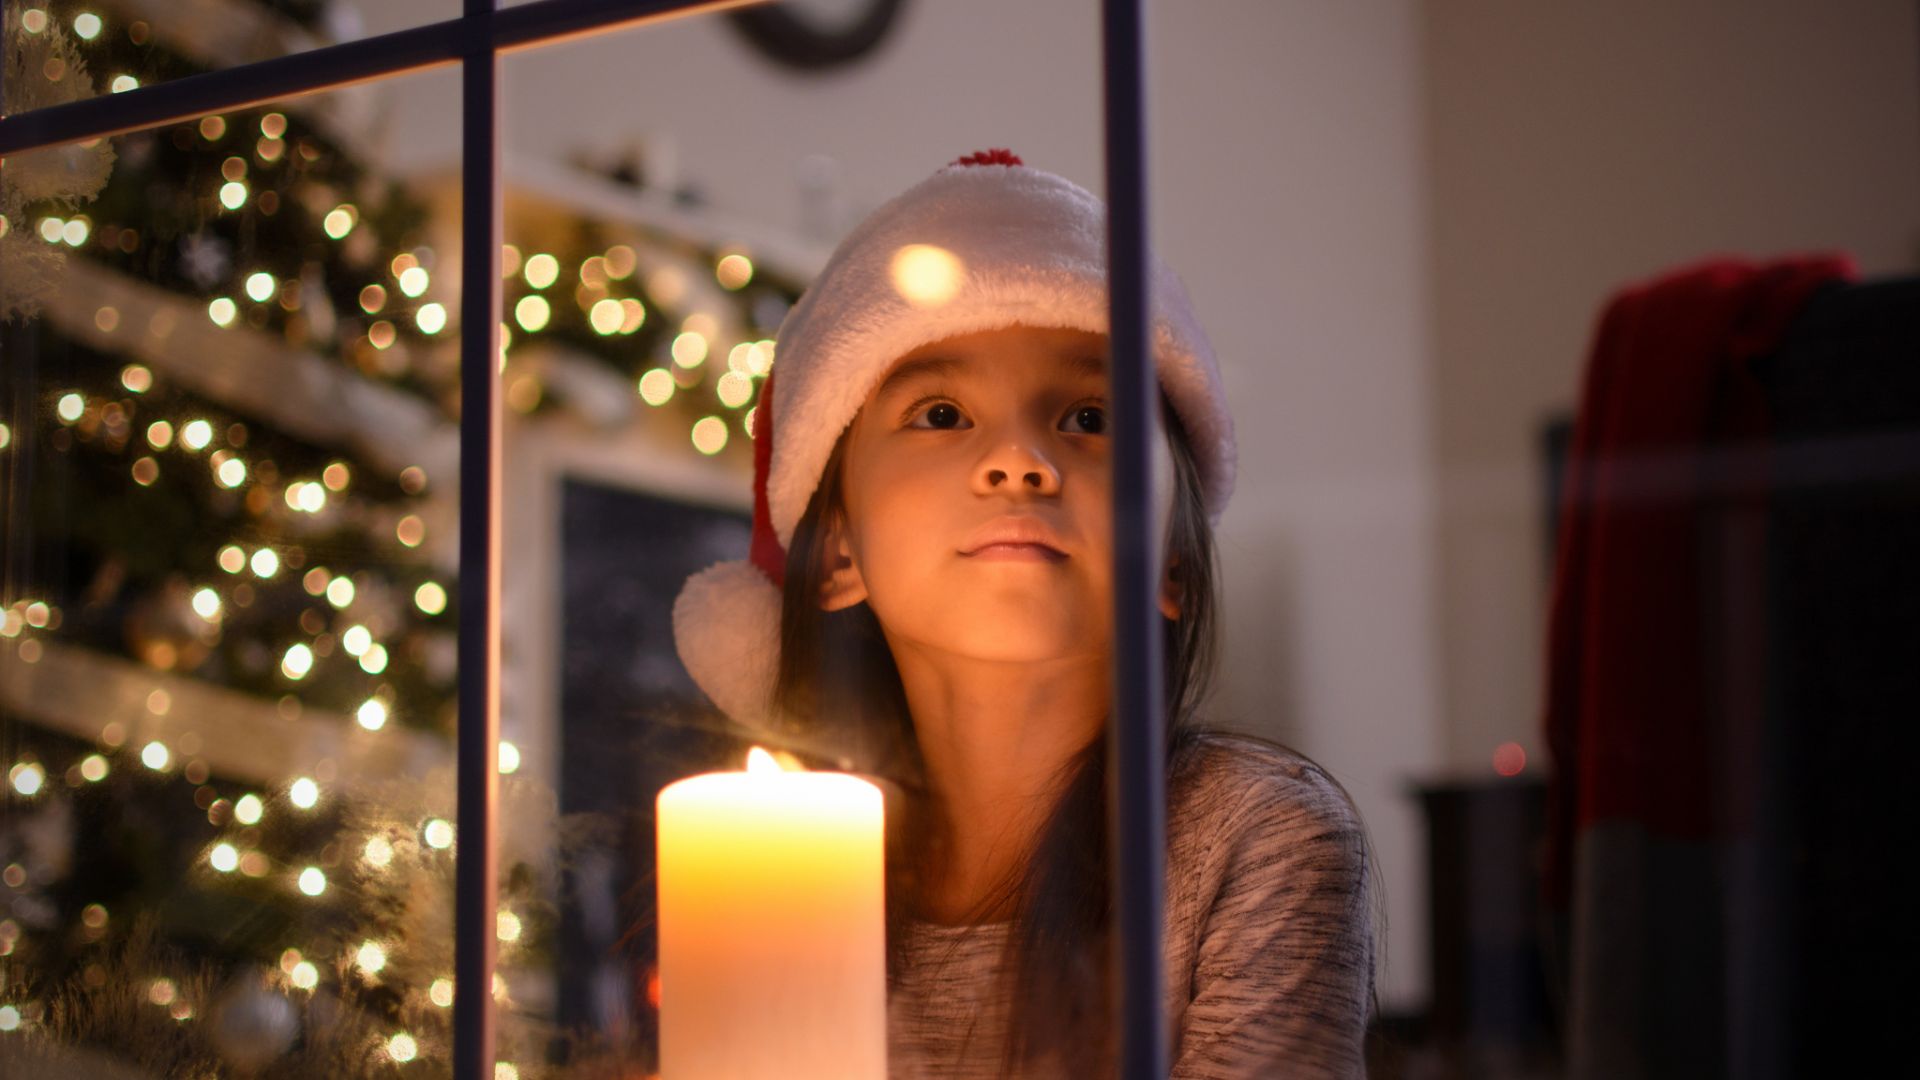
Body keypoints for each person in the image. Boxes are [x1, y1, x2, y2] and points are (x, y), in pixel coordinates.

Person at [671, 148, 1381, 1078]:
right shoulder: (767, 872)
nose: (1018, 461)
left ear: (1171, 558)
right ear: (838, 549)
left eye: (1090, 418)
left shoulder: (1258, 837)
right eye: (939, 413)